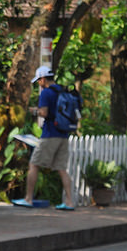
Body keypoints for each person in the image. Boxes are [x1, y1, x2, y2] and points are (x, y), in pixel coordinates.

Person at [12, 65, 76, 210]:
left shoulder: (46, 93)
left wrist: (35, 111)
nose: (39, 84)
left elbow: (44, 113)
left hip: (50, 135)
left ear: (42, 79)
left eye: (38, 81)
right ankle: (69, 202)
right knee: (61, 169)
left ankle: (28, 199)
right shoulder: (62, 90)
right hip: (64, 134)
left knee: (34, 164)